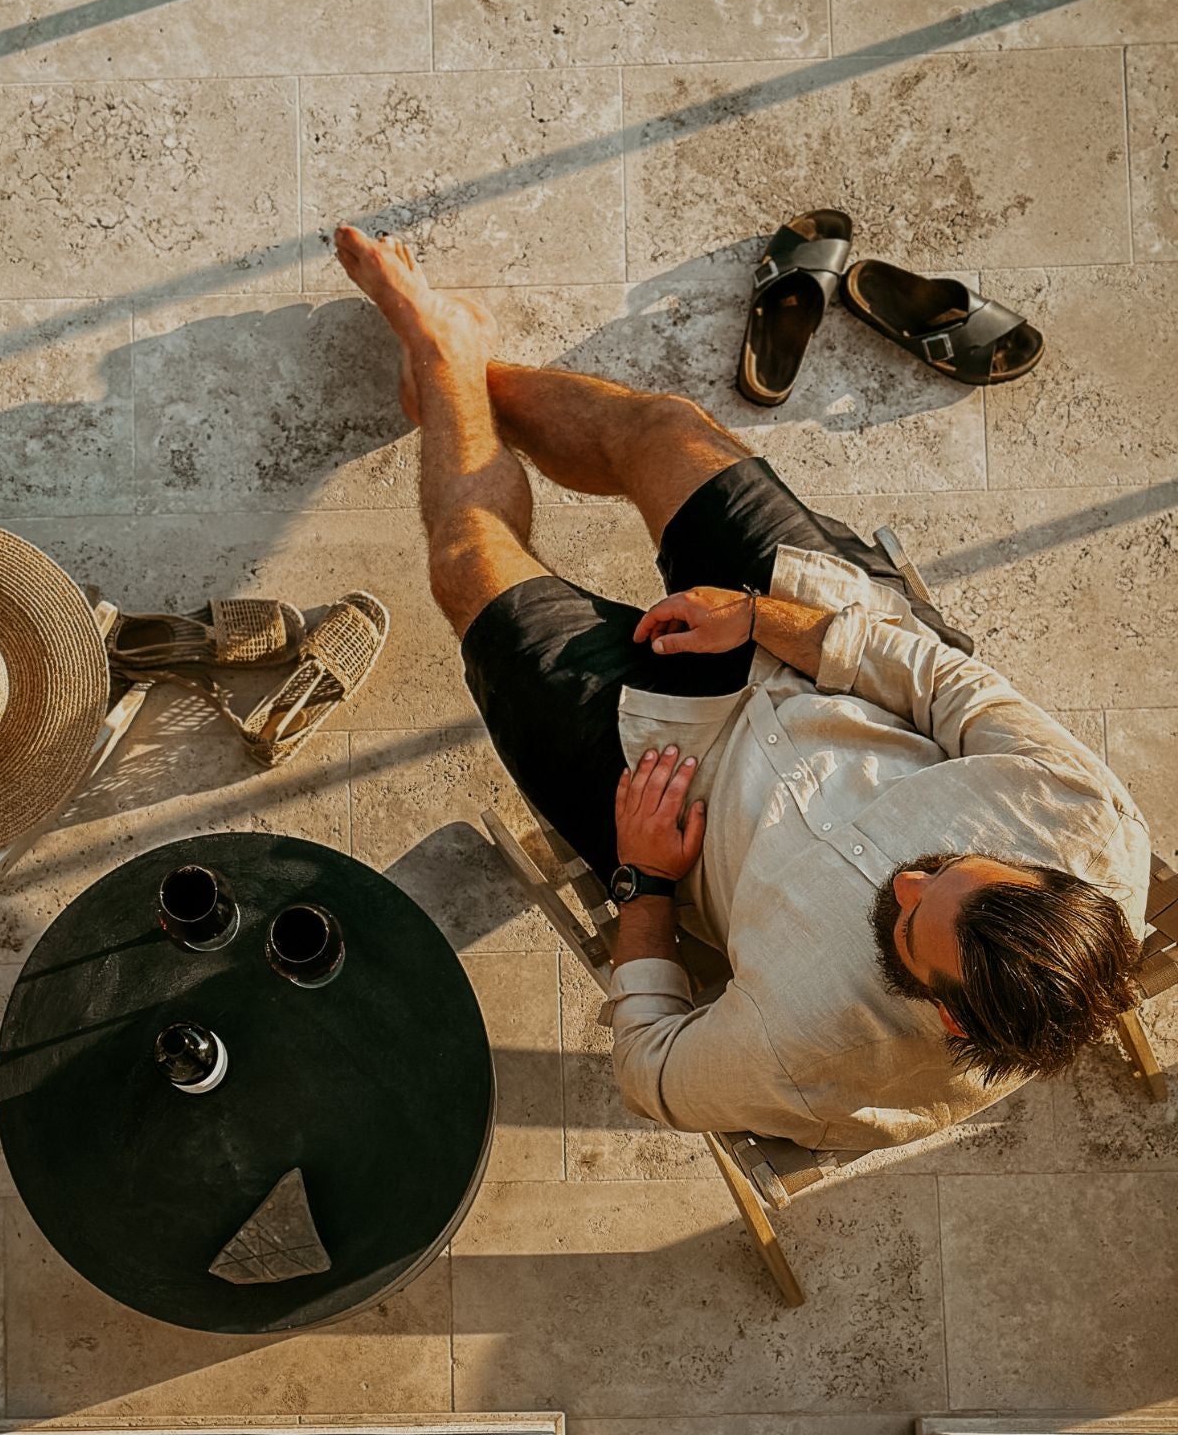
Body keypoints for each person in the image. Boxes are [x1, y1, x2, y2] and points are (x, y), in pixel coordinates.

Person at [333, 225, 1149, 1151]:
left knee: (467, 566)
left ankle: (441, 361)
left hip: (668, 795)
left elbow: (649, 1071)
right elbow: (940, 680)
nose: (913, 876)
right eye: (950, 860)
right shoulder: (1087, 824)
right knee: (665, 432)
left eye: (911, 917)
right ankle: (453, 376)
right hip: (829, 659)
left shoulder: (807, 1057)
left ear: (949, 1018)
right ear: (1045, 872)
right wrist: (767, 620)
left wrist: (644, 881)